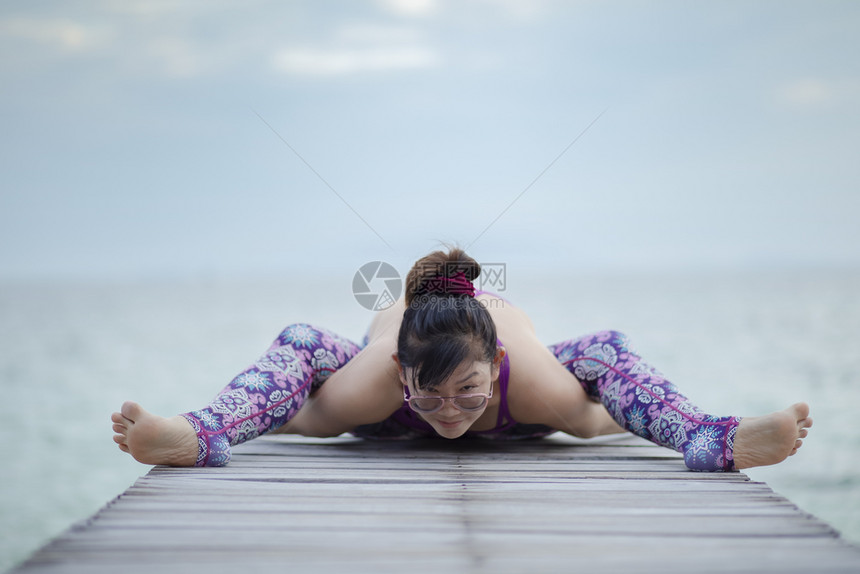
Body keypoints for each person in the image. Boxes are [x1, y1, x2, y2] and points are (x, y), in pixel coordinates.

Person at [112, 247, 812, 471]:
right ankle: (199, 431)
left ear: (497, 365)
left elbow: (599, 423)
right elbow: (312, 420)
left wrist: (673, 430)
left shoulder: (528, 373)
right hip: (386, 418)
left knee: (606, 352)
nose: (450, 412)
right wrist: (246, 426)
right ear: (401, 375)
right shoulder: (381, 372)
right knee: (299, 343)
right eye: (433, 394)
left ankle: (713, 436)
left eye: (466, 390)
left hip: (522, 418)